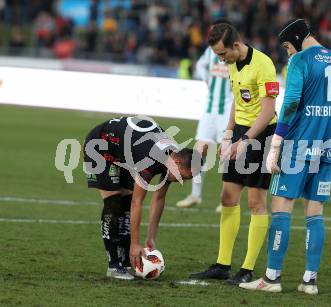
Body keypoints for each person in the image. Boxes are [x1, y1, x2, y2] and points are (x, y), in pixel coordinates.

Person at [239, 19, 331, 294]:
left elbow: (289, 103)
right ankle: (310, 280)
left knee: (282, 208)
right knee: (315, 213)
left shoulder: (300, 61)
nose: (289, 52)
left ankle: (272, 278)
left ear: (298, 39)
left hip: (297, 146)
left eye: (289, 46)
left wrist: (276, 143)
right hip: (326, 147)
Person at [189, 22, 279, 285]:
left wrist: (244, 140)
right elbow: (238, 102)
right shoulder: (231, 63)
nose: (220, 59)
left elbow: (268, 111)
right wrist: (228, 134)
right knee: (227, 197)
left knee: (255, 202)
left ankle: (247, 268)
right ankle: (222, 264)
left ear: (236, 46)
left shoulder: (264, 65)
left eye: (222, 54)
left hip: (262, 134)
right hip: (240, 131)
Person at [83, 116, 201, 280]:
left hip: (123, 152)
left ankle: (125, 262)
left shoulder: (171, 160)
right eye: (183, 176)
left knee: (125, 202)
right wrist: (135, 243)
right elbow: (137, 202)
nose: (182, 181)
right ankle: (114, 265)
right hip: (99, 147)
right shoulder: (150, 160)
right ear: (177, 161)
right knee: (114, 203)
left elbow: (159, 199)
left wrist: (150, 237)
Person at [176, 20, 233, 210]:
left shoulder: (234, 52)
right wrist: (207, 79)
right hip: (209, 110)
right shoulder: (210, 52)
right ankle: (195, 195)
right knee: (199, 151)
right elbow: (201, 65)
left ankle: (226, 199)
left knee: (226, 154)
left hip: (227, 110)